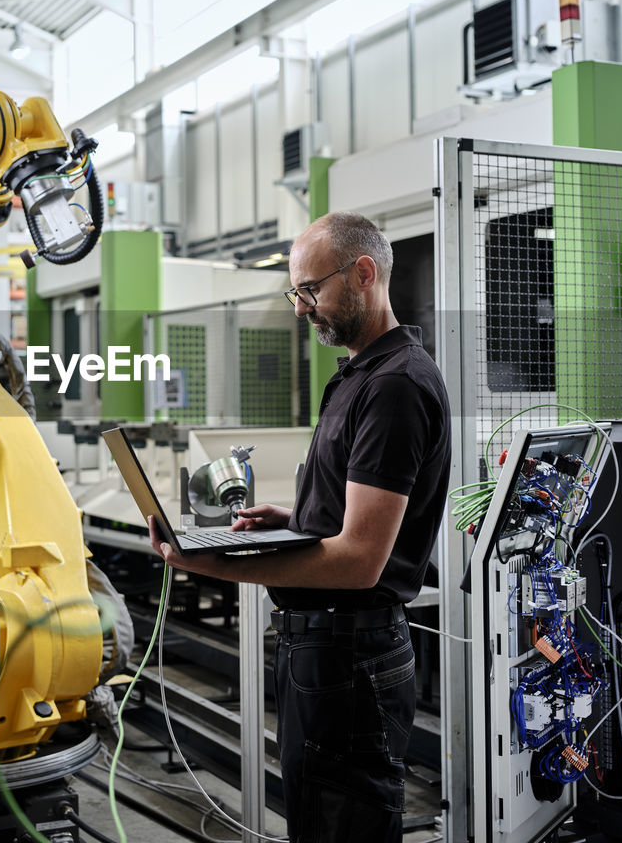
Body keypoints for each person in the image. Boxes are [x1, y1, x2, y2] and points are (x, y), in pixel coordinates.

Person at [148, 211, 451, 843]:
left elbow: (359, 560)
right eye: (297, 293)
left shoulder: (396, 386)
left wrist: (216, 561)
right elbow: (353, 518)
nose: (301, 309)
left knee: (345, 826)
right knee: (318, 820)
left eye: (311, 290)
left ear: (363, 274)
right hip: (324, 653)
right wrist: (299, 520)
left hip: (351, 657)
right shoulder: (359, 375)